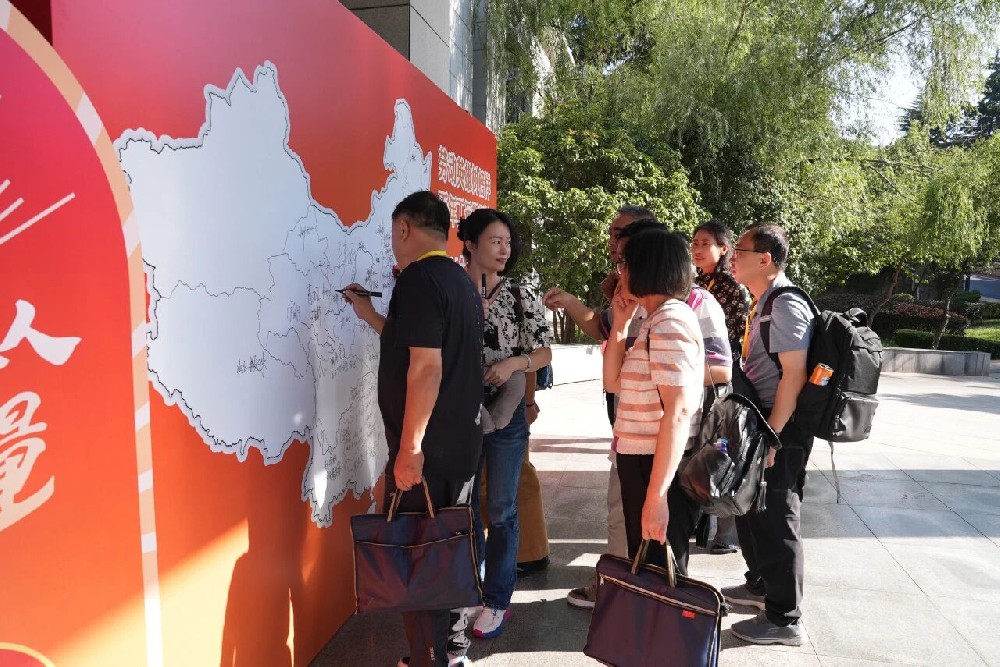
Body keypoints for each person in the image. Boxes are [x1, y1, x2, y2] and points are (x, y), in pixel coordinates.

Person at [343, 191, 483, 667]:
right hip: (457, 447)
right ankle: (450, 651)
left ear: (403, 228)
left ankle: (428, 659)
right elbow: (418, 346)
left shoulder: (419, 280)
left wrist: (410, 448)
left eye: (392, 231)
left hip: (429, 453)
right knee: (445, 551)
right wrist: (370, 316)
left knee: (419, 558)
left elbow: (425, 369)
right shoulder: (459, 280)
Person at [542, 204, 651, 608]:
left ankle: (626, 594)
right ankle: (630, 590)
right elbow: (604, 333)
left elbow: (712, 371)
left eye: (619, 234)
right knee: (625, 509)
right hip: (631, 424)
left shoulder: (676, 304)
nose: (612, 242)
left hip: (650, 430)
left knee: (631, 511)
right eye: (611, 234)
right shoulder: (626, 290)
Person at [459, 208, 552, 639]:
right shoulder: (455, 288)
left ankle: (496, 600)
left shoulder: (520, 294)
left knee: (500, 506)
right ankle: (468, 590)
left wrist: (515, 363)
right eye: (495, 241)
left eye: (507, 242)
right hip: (459, 411)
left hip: (507, 411)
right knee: (464, 506)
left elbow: (544, 351)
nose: (504, 249)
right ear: (470, 244)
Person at [724, 224, 814, 647]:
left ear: (765, 259)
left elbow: (794, 376)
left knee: (778, 515)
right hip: (765, 422)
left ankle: (785, 618)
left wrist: (774, 437)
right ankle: (762, 587)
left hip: (783, 426)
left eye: (739, 251)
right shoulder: (763, 301)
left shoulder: (786, 304)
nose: (732, 257)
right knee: (756, 510)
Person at [603, 228, 704, 570]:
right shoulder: (655, 319)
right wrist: (621, 325)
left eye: (625, 264)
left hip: (655, 464)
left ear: (646, 267)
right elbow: (612, 382)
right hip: (642, 460)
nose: (620, 273)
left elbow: (679, 411)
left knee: (660, 572)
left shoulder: (670, 321)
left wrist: (657, 495)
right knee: (648, 567)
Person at [691, 219, 751, 555]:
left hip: (723, 381)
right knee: (698, 449)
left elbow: (735, 340)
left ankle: (723, 535)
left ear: (723, 249)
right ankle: (699, 523)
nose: (697, 249)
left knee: (722, 449)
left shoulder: (732, 287)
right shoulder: (694, 282)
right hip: (696, 378)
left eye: (705, 243)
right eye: (695, 243)